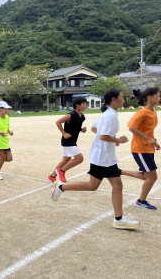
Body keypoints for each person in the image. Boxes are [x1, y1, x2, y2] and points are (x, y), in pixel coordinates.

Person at [51, 88, 139, 230]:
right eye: (121, 97)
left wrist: (112, 140)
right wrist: (118, 139)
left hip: (108, 157)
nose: (124, 100)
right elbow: (103, 136)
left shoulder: (109, 114)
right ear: (113, 100)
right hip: (101, 157)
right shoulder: (110, 116)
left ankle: (119, 219)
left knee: (117, 185)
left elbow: (94, 128)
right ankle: (61, 187)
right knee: (92, 186)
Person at [127, 88, 160, 210]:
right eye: (157, 96)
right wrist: (148, 139)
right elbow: (131, 127)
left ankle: (119, 172)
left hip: (148, 148)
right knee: (152, 176)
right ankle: (141, 201)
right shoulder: (143, 112)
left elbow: (147, 130)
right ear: (149, 97)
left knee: (147, 175)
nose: (159, 98)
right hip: (140, 148)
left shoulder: (153, 112)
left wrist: (154, 141)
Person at [47, 96, 87, 184]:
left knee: (66, 160)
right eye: (84, 104)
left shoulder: (82, 117)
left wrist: (81, 129)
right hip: (68, 141)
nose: (85, 105)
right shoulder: (70, 115)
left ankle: (52, 177)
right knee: (80, 159)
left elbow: (75, 126)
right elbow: (58, 122)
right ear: (77, 105)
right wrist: (64, 133)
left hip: (73, 141)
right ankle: (62, 171)